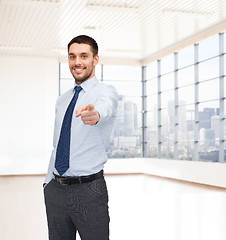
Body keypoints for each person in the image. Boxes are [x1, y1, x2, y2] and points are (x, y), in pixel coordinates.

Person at [43, 35, 118, 240]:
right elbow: (57, 144)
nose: (77, 62)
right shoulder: (62, 100)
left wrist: (96, 114)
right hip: (56, 190)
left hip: (89, 191)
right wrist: (48, 181)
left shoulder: (105, 92)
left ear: (95, 59)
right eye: (72, 56)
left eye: (84, 56)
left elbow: (106, 107)